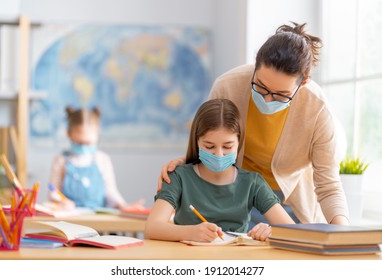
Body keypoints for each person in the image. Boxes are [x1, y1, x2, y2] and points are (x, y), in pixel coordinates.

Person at [158, 22, 350, 226]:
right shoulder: (228, 86)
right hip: (235, 196)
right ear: (254, 67)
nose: (267, 100)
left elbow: (329, 186)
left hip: (287, 204)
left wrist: (342, 234)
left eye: (281, 95)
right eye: (260, 87)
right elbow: (210, 138)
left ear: (303, 83)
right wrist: (188, 161)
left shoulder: (317, 109)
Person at [146, 99, 294, 242]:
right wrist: (191, 232)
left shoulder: (252, 183)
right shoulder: (179, 177)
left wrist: (269, 230)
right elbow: (152, 228)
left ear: (239, 142)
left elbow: (292, 230)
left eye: (227, 147)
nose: (219, 154)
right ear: (197, 142)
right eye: (209, 147)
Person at [49, 106, 144, 211]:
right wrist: (60, 202)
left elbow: (111, 191)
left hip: (97, 219)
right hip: (69, 218)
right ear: (69, 134)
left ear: (97, 134)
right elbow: (53, 192)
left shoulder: (102, 159)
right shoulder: (61, 160)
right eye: (79, 143)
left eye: (88, 143)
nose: (83, 147)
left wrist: (123, 205)